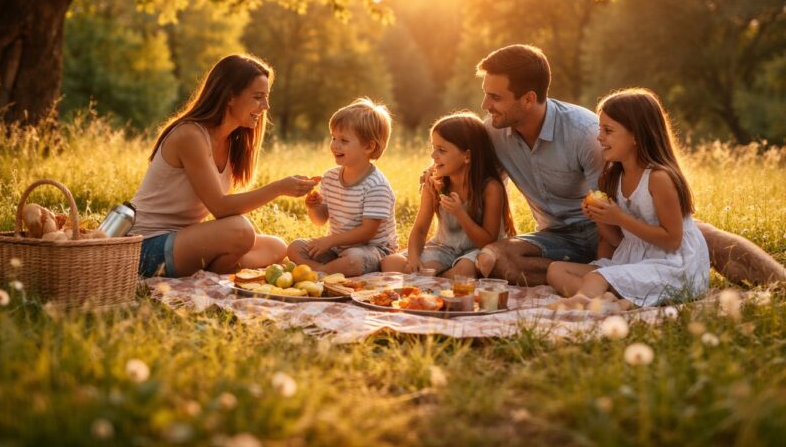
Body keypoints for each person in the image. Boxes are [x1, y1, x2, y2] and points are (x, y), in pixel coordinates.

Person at [473, 44, 786, 286]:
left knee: (703, 237)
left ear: (528, 99)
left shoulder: (585, 132)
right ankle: (607, 279)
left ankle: (780, 284)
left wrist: (612, 249)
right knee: (493, 259)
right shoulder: (494, 132)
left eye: (495, 97)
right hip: (556, 237)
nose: (486, 106)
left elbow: (616, 200)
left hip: (618, 226)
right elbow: (485, 187)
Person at [131, 54, 318, 278]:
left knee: (276, 246)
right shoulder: (190, 135)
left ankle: (214, 267)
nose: (266, 106)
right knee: (241, 231)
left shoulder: (232, 142)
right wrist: (278, 188)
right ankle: (218, 267)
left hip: (183, 239)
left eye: (266, 97)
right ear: (230, 96)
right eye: (258, 97)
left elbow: (224, 215)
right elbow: (220, 207)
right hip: (146, 247)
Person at [546, 89, 710, 308]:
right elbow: (617, 241)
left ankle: (582, 302)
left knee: (597, 278)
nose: (599, 137)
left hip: (674, 265)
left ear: (636, 135)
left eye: (608, 130)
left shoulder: (659, 178)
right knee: (556, 270)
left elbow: (673, 240)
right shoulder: (613, 177)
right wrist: (601, 217)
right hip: (635, 260)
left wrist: (620, 218)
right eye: (600, 129)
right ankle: (609, 302)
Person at [381, 112, 514, 278]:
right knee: (390, 263)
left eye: (441, 150)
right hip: (444, 248)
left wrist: (460, 213)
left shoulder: (490, 188)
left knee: (463, 271)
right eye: (433, 147)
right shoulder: (436, 183)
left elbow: (487, 240)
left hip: (478, 250)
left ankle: (437, 277)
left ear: (467, 156)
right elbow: (421, 229)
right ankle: (437, 277)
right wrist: (414, 259)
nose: (433, 156)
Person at [286, 98, 398, 276]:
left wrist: (329, 241)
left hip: (371, 251)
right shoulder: (330, 177)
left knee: (354, 259)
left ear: (369, 146)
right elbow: (320, 220)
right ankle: (329, 271)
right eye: (333, 138)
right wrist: (314, 207)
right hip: (337, 249)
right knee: (295, 247)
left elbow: (368, 232)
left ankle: (319, 273)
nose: (334, 145)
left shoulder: (377, 186)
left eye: (344, 140)